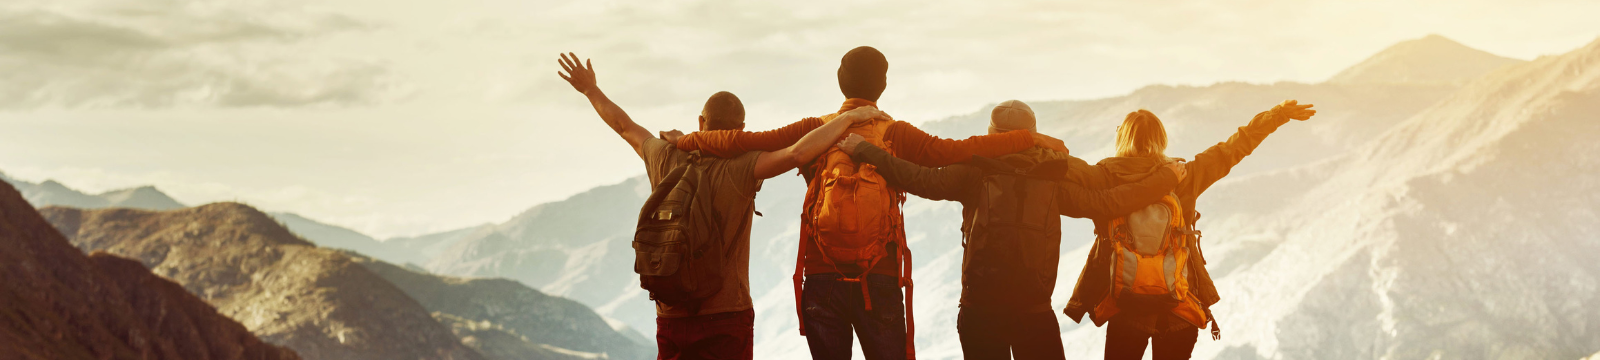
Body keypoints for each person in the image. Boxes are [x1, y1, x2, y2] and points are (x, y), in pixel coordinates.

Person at [668, 46, 1068, 360]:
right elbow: (957, 150)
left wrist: (687, 140)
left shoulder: (816, 129)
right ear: (884, 85)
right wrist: (1027, 139)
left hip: (821, 276)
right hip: (880, 276)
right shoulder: (895, 132)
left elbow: (744, 141)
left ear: (841, 82)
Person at [557, 52, 890, 360]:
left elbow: (624, 125)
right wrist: (850, 119)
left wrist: (591, 90)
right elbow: (797, 154)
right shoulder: (743, 167)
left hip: (670, 316)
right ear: (741, 129)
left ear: (701, 121)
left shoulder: (665, 156)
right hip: (727, 315)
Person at [832, 99, 1189, 360]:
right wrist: (1165, 178)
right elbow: (1109, 203)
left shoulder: (976, 171)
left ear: (993, 136)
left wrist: (866, 150)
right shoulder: (1052, 176)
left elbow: (920, 179)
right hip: (1034, 311)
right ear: (1031, 136)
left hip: (979, 309)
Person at [1058, 101, 1317, 360]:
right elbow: (1232, 149)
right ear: (1161, 140)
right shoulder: (1184, 175)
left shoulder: (1102, 177)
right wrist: (1277, 115)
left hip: (1125, 305)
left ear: (1121, 137)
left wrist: (1027, 143)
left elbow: (1062, 168)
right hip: (1180, 306)